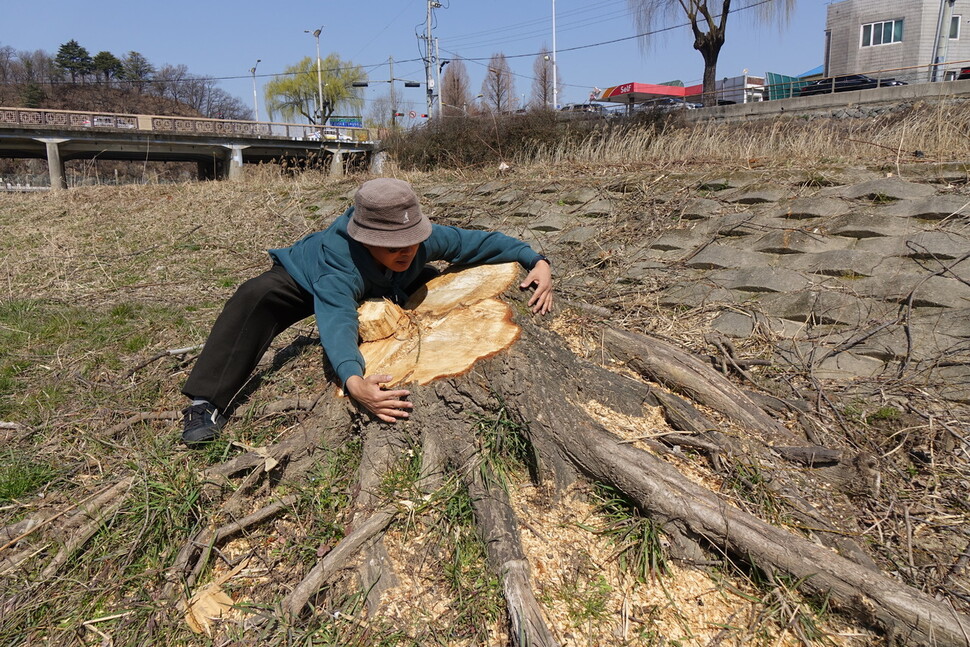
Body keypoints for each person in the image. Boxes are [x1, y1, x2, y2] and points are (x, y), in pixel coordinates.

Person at [180, 177, 553, 446]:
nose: (406, 250)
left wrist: (536, 260)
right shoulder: (337, 264)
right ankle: (206, 401)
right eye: (393, 246)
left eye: (412, 242)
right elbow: (336, 320)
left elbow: (479, 243)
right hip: (305, 279)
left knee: (427, 277)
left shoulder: (421, 240)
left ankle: (388, 287)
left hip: (378, 281)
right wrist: (353, 380)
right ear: (366, 238)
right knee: (255, 297)